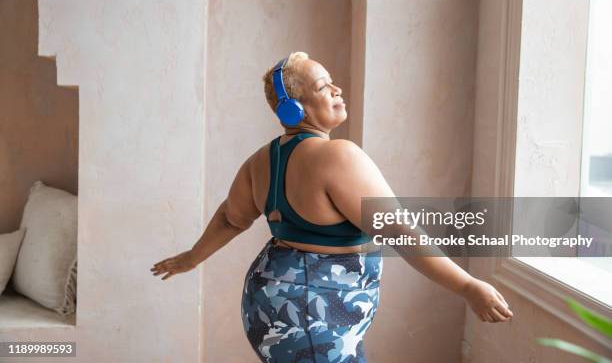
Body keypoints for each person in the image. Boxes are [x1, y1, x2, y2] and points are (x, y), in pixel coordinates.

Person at [150, 51, 514, 362]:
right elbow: (401, 231)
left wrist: (192, 258)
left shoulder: (260, 161)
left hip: (275, 308)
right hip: (312, 318)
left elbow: (231, 219)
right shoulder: (337, 155)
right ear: (293, 109)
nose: (337, 90)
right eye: (324, 87)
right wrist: (467, 286)